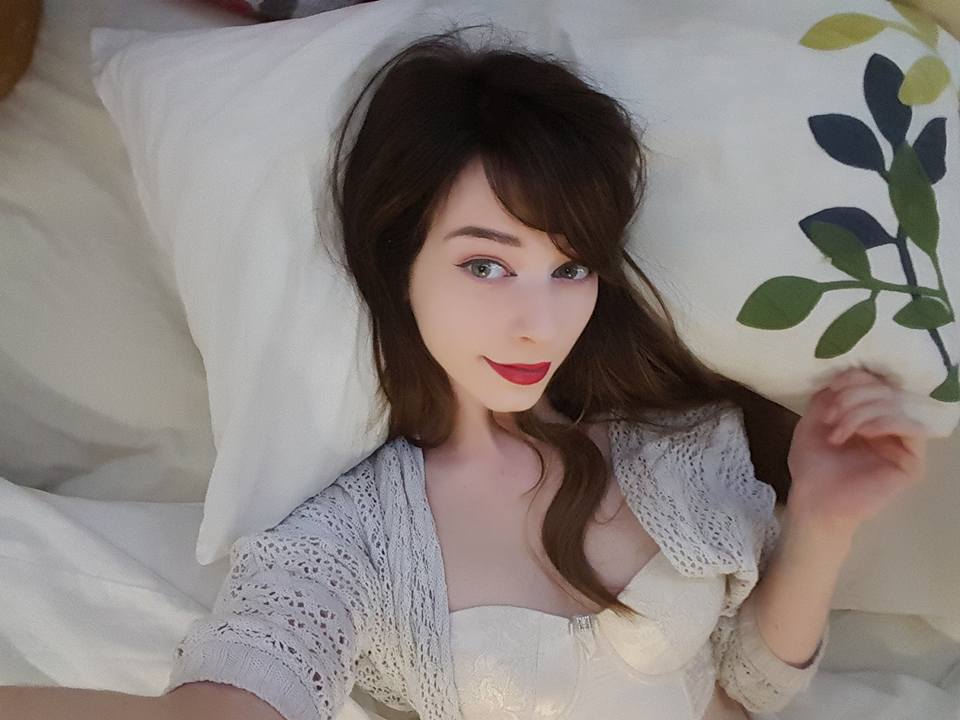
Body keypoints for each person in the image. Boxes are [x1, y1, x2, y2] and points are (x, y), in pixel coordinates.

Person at [0, 23, 929, 720]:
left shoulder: (681, 446)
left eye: (570, 268)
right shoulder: (343, 537)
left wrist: (822, 518)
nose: (539, 320)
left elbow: (752, 688)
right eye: (485, 265)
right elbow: (236, 699)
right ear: (399, 262)